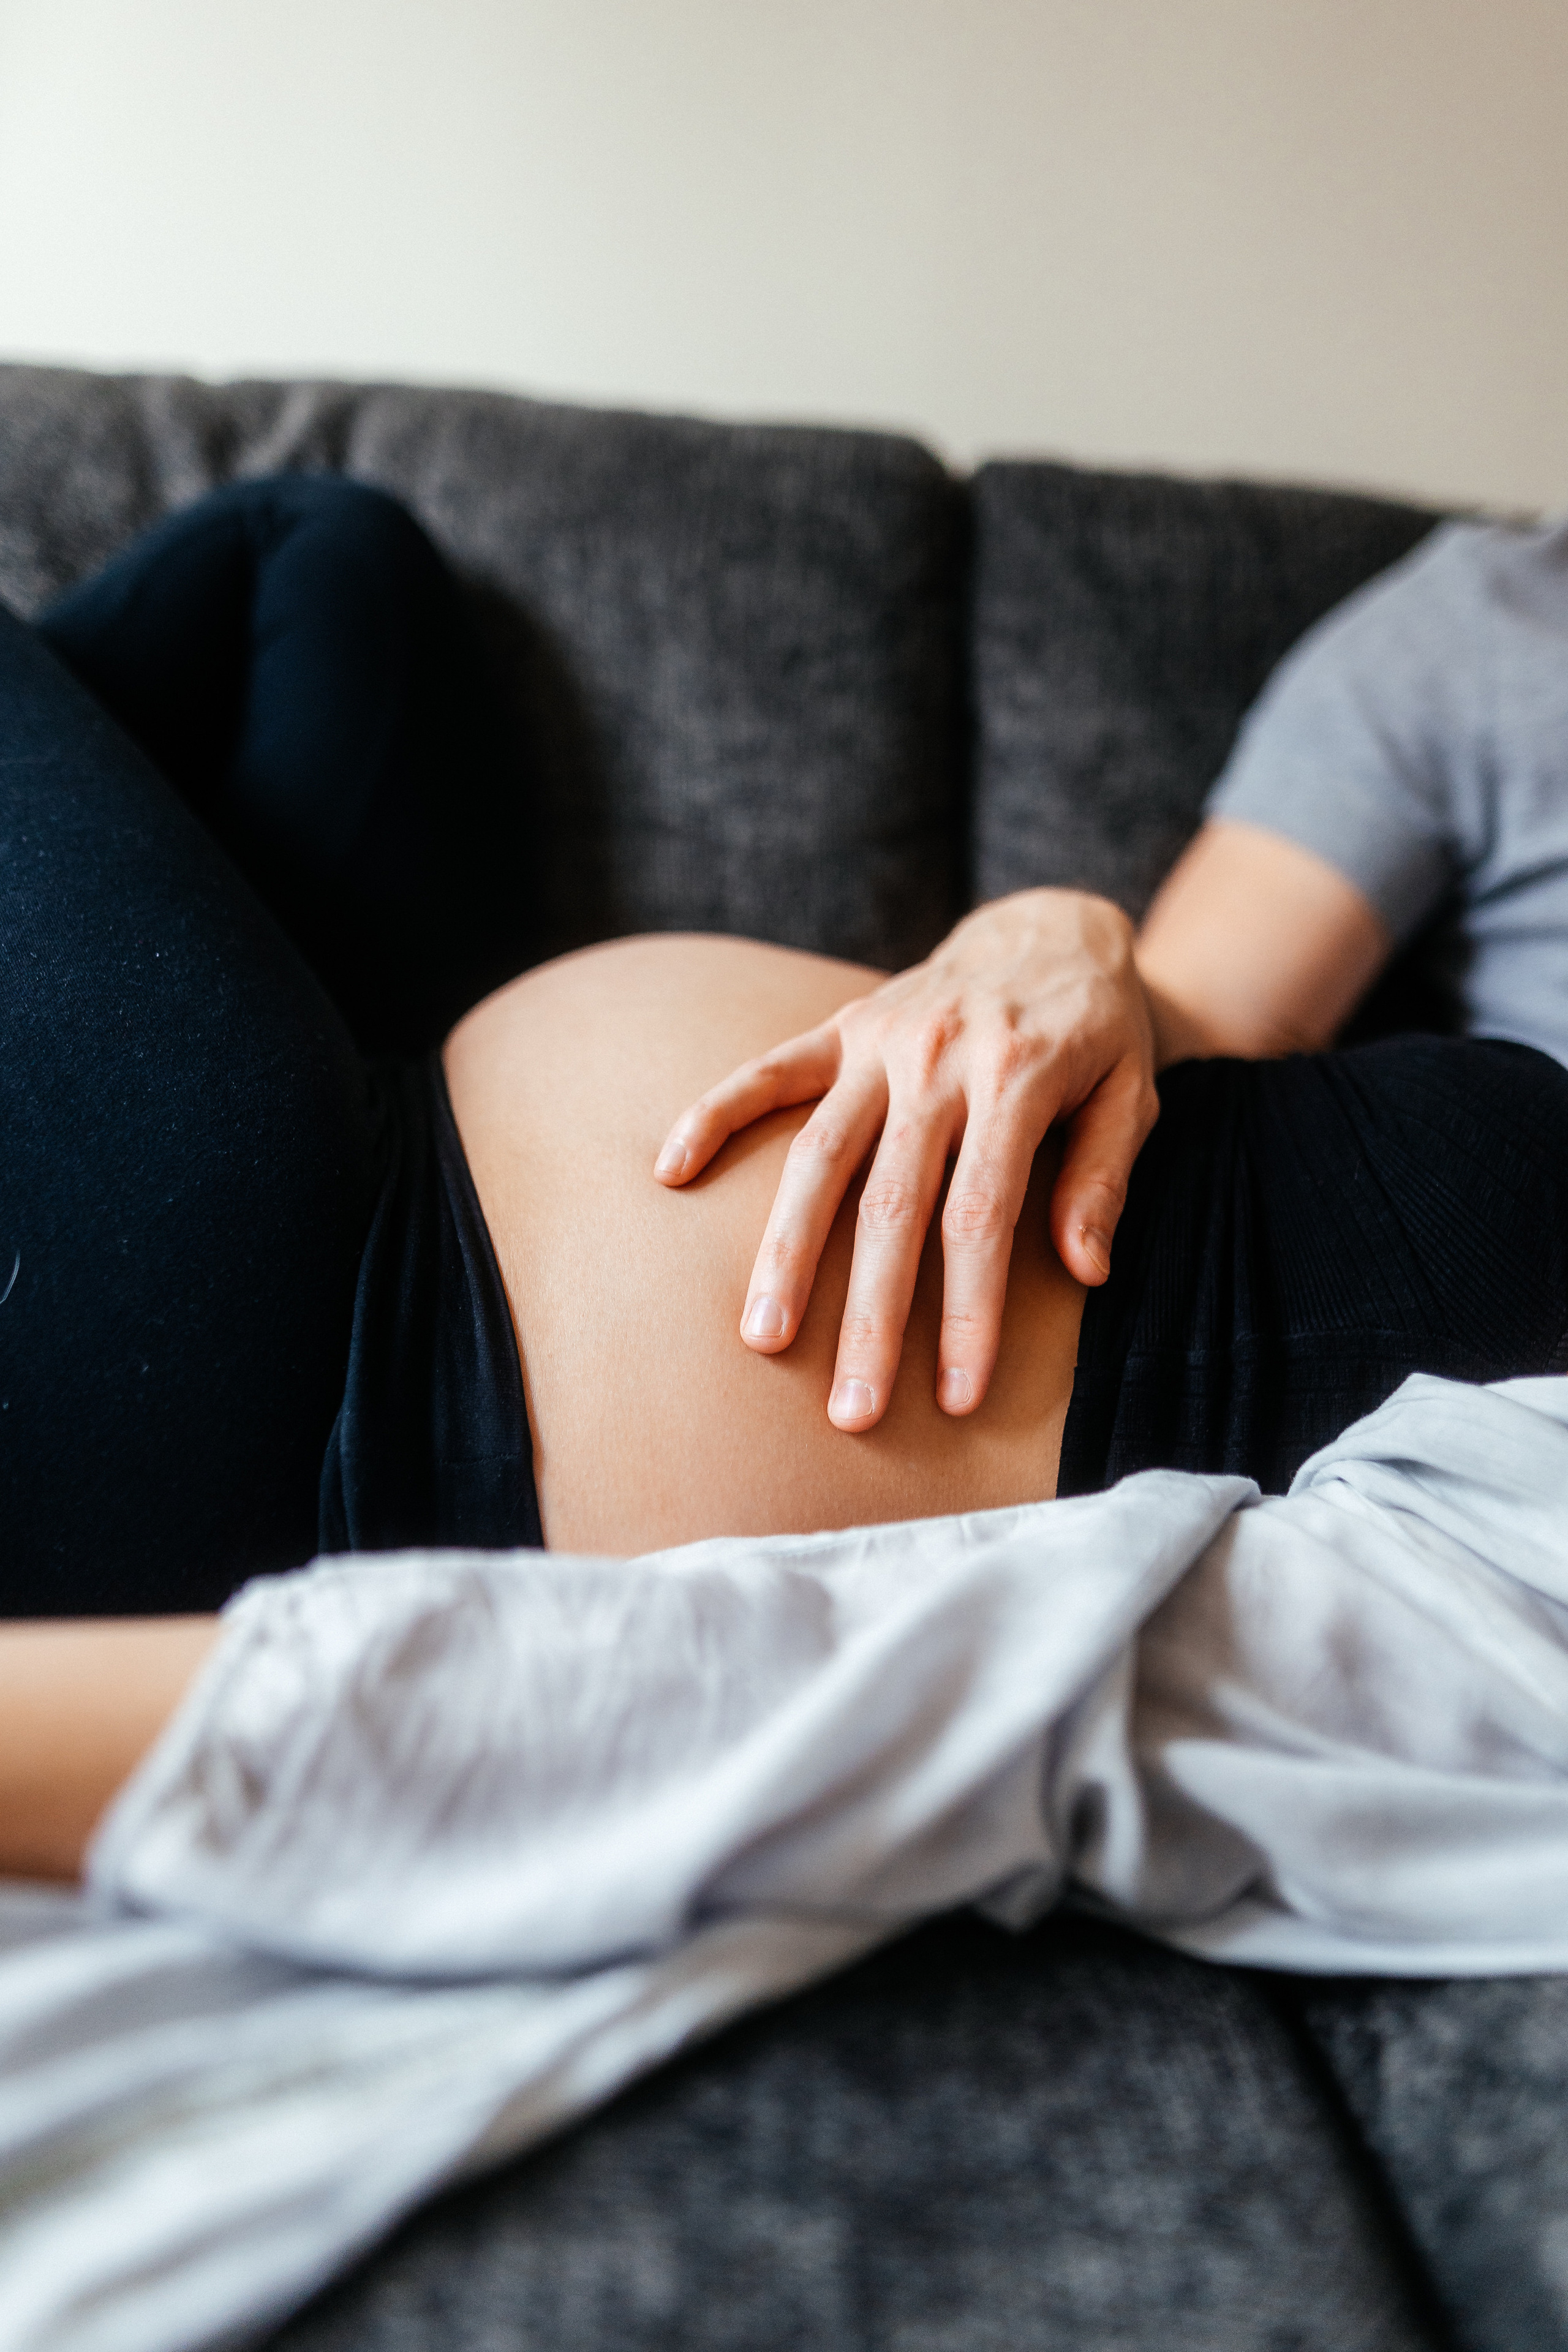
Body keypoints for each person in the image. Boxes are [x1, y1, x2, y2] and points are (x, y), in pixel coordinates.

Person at [4, 483, 1568, 1877]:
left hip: (266, 1350)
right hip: (355, 1171)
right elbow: (1199, 1014)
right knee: (331, 560)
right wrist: (1060, 929)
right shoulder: (1492, 614)